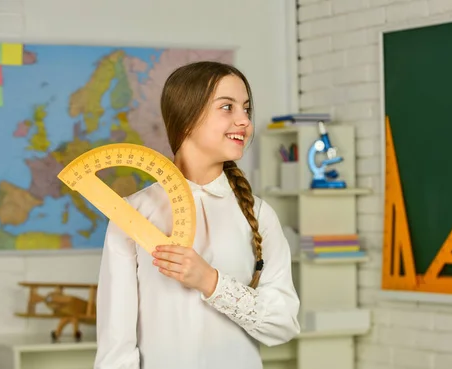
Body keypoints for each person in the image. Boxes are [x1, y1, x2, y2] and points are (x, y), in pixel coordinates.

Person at [94, 61, 301, 369]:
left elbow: (283, 324)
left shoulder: (258, 213)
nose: (244, 120)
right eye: (227, 107)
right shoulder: (133, 213)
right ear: (186, 118)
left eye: (246, 109)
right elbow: (116, 344)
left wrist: (211, 282)